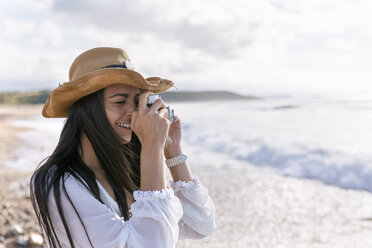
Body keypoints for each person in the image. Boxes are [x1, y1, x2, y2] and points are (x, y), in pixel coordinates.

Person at [30, 47, 216, 248]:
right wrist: (152, 148)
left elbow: (201, 225)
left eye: (138, 102)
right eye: (120, 101)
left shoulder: (129, 170)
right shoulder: (59, 182)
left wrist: (172, 150)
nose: (133, 113)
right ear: (87, 110)